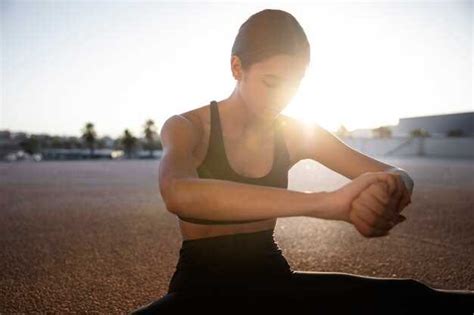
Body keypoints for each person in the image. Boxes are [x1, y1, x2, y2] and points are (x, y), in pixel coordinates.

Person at [130, 9, 474, 314]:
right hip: (200, 291)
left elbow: (392, 172)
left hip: (274, 281)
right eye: (271, 82)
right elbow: (179, 193)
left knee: (413, 298)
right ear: (237, 68)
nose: (282, 97)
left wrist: (389, 192)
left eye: (294, 84)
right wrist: (325, 204)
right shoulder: (188, 126)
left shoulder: (295, 133)